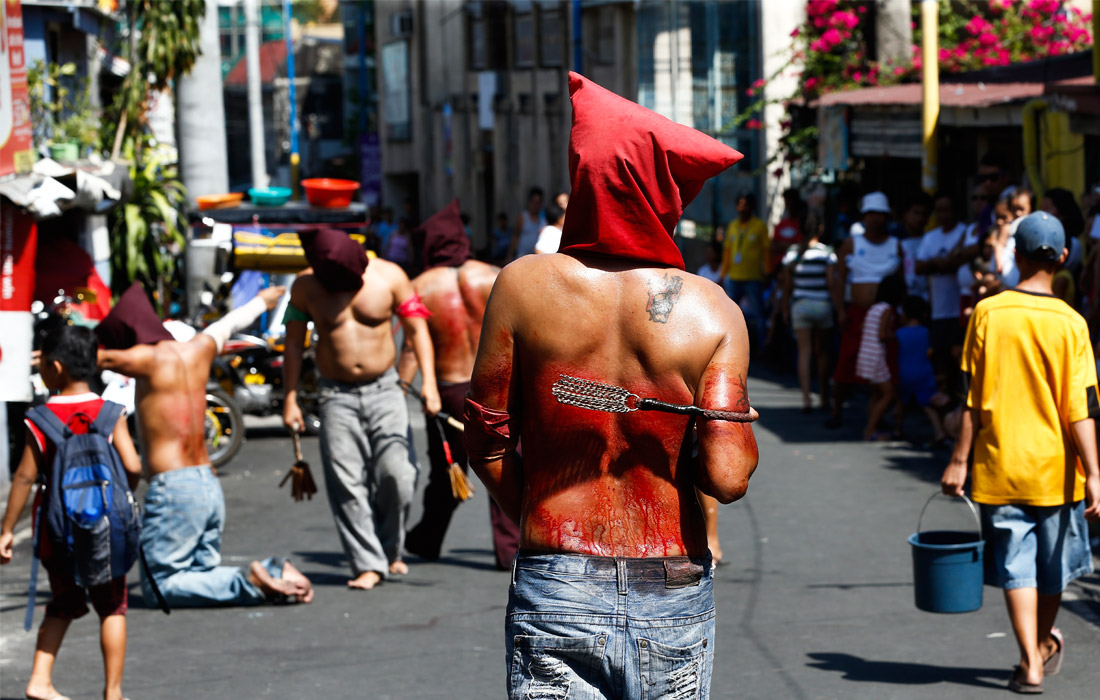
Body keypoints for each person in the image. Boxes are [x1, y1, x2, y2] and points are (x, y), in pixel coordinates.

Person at [465, 72, 759, 700]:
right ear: (663, 196)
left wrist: (536, 519)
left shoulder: (522, 286)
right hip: (671, 581)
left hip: (557, 569)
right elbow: (729, 479)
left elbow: (486, 442)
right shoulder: (713, 311)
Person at [942, 212, 1100, 694]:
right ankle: (1039, 649)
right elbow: (1082, 410)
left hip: (1000, 465)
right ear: (1065, 258)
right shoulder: (1072, 323)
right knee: (1051, 573)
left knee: (1016, 568)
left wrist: (959, 459)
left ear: (1016, 253)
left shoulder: (990, 312)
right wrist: (1095, 472)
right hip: (1057, 472)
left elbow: (973, 395)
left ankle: (1030, 661)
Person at [95, 283, 313, 608]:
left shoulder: (147, 358)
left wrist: (47, 354)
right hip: (207, 484)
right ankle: (274, 571)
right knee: (198, 575)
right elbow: (228, 325)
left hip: (174, 490)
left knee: (160, 587)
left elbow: (96, 357)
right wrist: (260, 302)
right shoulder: (199, 348)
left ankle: (251, 579)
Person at [282, 228, 440, 590]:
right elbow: (293, 345)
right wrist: (290, 396)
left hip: (385, 390)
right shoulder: (305, 286)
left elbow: (417, 332)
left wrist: (426, 383)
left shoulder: (390, 276)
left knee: (398, 476)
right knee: (345, 480)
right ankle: (368, 563)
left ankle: (388, 550)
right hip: (335, 396)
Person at [0, 325, 141, 700]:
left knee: (62, 601)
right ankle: (113, 693)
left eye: (43, 362)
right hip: (106, 528)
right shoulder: (111, 412)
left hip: (56, 527)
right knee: (112, 605)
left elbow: (24, 477)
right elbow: (133, 465)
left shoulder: (40, 418)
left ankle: (40, 680)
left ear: (56, 367)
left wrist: (6, 530)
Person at [398, 199, 521, 568]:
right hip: (499, 387)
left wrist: (402, 390)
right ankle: (510, 548)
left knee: (447, 470)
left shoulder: (419, 286)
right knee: (505, 463)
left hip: (451, 391)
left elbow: (409, 349)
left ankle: (426, 540)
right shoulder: (496, 276)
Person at [828, 191, 903, 429]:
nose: (876, 219)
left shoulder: (895, 245)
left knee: (885, 364)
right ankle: (836, 410)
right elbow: (839, 279)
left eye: (880, 215)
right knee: (846, 361)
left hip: (886, 315)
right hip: (857, 313)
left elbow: (902, 281)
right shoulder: (852, 244)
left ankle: (880, 415)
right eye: (871, 214)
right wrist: (840, 310)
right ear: (864, 217)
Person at [781, 212, 836, 413]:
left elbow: (787, 285)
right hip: (822, 306)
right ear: (820, 229)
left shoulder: (793, 252)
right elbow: (831, 283)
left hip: (801, 306)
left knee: (804, 352)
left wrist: (785, 307)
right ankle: (823, 396)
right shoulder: (827, 253)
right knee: (822, 353)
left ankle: (806, 399)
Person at [915, 192, 967, 390]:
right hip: (939, 310)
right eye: (939, 211)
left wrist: (938, 264)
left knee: (959, 357)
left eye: (947, 210)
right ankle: (943, 400)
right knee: (941, 357)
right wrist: (939, 263)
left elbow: (958, 261)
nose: (943, 215)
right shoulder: (930, 237)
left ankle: (958, 398)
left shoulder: (965, 232)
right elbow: (919, 267)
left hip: (960, 309)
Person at [895, 296, 949, 446]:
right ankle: (939, 433)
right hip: (923, 373)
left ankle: (898, 430)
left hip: (903, 373)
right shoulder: (926, 332)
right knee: (927, 405)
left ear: (904, 314)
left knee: (901, 402)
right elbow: (930, 353)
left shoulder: (899, 333)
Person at [856, 274, 904, 441]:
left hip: (865, 353)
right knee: (888, 394)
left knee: (876, 394)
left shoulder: (873, 308)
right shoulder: (887, 310)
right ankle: (870, 430)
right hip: (876, 355)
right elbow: (883, 334)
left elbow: (863, 327)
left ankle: (873, 425)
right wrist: (897, 335)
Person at [719, 191, 769, 347]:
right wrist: (722, 274)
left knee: (759, 314)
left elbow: (766, 251)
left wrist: (767, 272)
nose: (741, 208)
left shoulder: (760, 226)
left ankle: (763, 345)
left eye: (745, 204)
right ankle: (728, 345)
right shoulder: (733, 226)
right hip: (734, 278)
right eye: (739, 204)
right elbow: (727, 252)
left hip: (753, 278)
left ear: (752, 206)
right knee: (729, 313)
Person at [897, 192, 931, 301]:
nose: (920, 218)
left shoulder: (931, 240)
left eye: (924, 214)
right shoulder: (895, 242)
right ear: (905, 214)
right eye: (916, 213)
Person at [507, 187, 546, 260]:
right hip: (522, 257)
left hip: (537, 258)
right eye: (533, 202)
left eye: (537, 203)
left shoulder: (543, 219)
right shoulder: (523, 217)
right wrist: (509, 255)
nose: (535, 206)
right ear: (530, 202)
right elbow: (515, 236)